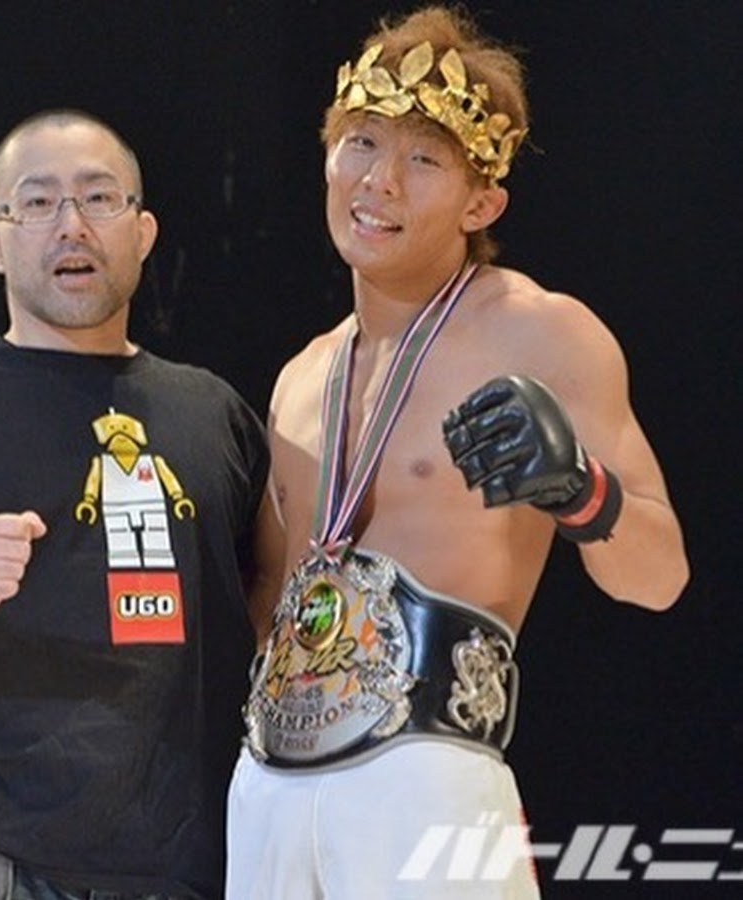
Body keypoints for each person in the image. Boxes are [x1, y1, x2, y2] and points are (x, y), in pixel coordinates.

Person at [226, 6, 689, 899]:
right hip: (268, 784)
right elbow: (268, 598)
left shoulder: (541, 332)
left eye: (424, 159)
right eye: (362, 143)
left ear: (482, 203)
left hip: (425, 777)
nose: (380, 181)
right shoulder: (300, 377)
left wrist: (580, 490)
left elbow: (661, 576)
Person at [0, 109, 270, 900]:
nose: (72, 225)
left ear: (143, 231)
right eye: (37, 203)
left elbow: (272, 605)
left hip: (197, 866)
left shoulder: (217, 414)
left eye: (99, 198)